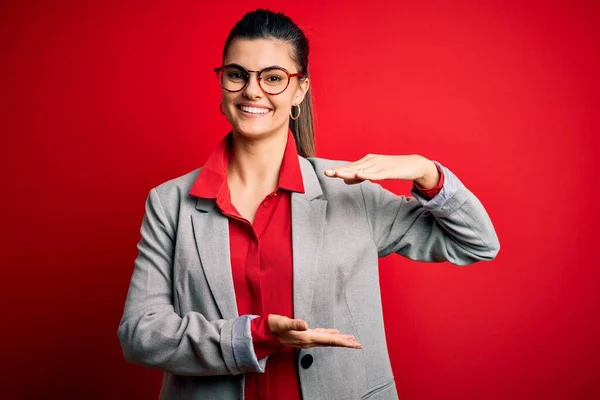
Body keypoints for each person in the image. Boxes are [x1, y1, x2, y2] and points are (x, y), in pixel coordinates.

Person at [117, 8, 500, 400]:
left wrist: (426, 172)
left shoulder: (350, 192)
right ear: (222, 85)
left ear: (299, 90)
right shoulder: (170, 204)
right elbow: (140, 333)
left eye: (273, 78)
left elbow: (477, 243)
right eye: (237, 75)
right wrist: (253, 337)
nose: (252, 91)